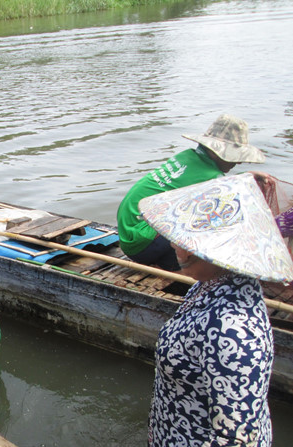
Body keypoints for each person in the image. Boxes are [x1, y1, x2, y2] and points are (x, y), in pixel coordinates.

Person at [138, 173, 293, 446]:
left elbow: (236, 439)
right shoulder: (209, 283)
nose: (175, 245)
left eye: (185, 241)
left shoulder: (234, 330)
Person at [117, 114, 265, 271]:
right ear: (215, 152)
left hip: (129, 232)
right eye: (235, 157)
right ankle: (172, 264)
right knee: (213, 219)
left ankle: (168, 260)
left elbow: (208, 180)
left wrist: (246, 177)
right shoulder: (211, 179)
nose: (238, 162)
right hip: (141, 244)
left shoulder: (187, 156)